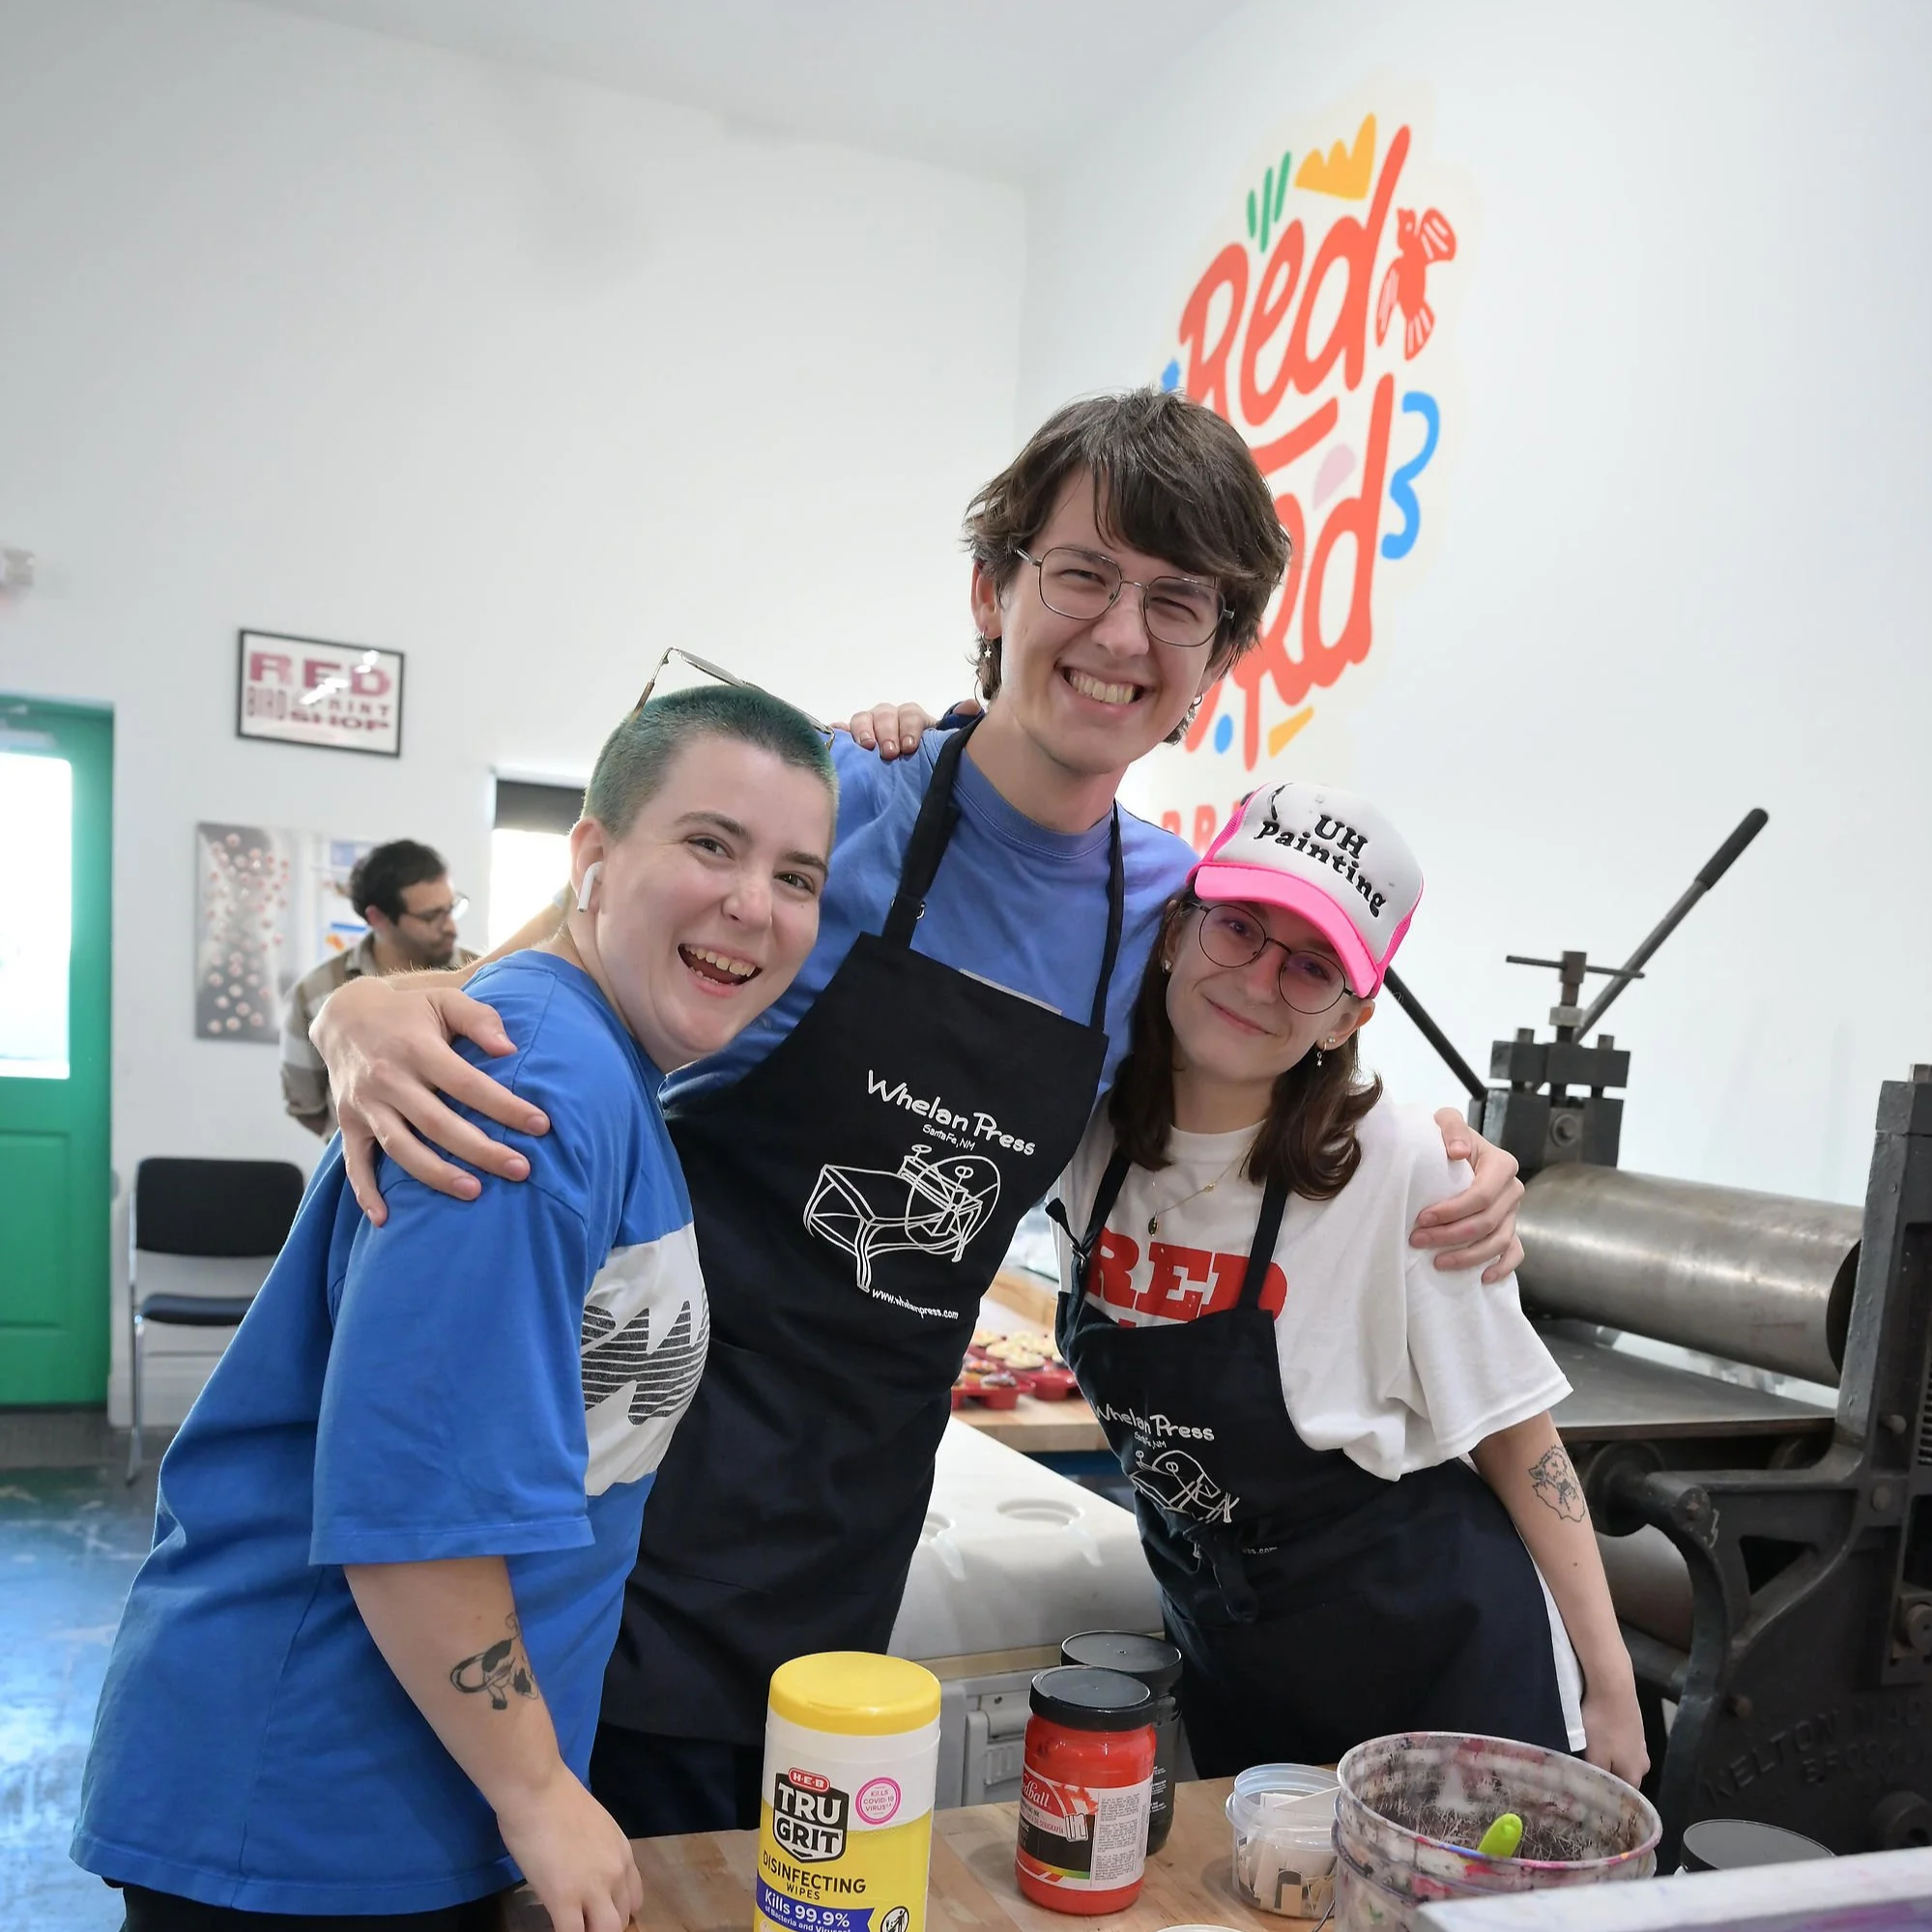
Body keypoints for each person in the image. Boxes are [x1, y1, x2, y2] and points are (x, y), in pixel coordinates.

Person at [306, 389, 1531, 1837]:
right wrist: (364, 1005)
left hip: (847, 1514)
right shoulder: (836, 802)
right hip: (630, 1475)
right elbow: (526, 982)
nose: (1120, 634)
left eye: (1175, 601)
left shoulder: (1161, 907)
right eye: (1080, 573)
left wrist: (1461, 1154)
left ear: (1211, 655)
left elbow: (1278, 1036)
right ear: (990, 587)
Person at [72, 688, 837, 1930]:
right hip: (310, 1801)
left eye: (796, 873)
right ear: (590, 857)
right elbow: (412, 1505)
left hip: (398, 1793)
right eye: (709, 843)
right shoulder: (534, 1080)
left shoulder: (597, 1059)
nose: (755, 902)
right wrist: (534, 1789)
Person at [1051, 779, 1648, 1783]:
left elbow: (1515, 1436)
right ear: (1174, 932)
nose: (1256, 979)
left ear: (1346, 1015)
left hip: (1437, 1665)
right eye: (1237, 926)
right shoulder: (1087, 1134)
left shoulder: (1402, 1167)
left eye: (1312, 966)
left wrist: (1612, 1685)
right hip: (1238, 1653)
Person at [280, 839, 480, 1136]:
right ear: (378, 919)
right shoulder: (316, 993)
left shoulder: (482, 977)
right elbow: (307, 1107)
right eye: (431, 916)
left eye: (450, 908)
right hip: (360, 1176)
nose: (451, 927)